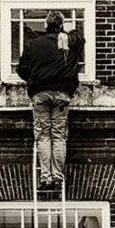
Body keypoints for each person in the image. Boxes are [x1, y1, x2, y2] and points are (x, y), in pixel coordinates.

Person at [17, 10, 85, 190]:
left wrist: (34, 79)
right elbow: (80, 38)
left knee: (43, 136)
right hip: (63, 93)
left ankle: (45, 178)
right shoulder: (69, 41)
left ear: (46, 25)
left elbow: (22, 70)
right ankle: (57, 177)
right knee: (59, 136)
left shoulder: (34, 44)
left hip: (40, 93)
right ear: (61, 25)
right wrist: (66, 33)